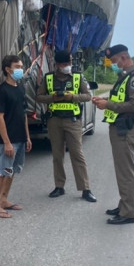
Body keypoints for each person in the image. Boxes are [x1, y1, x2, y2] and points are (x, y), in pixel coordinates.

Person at [92, 44, 134, 225]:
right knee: (121, 170)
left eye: (115, 61)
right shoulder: (125, 76)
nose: (113, 65)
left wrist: (107, 105)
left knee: (126, 172)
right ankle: (123, 205)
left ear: (123, 58)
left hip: (125, 129)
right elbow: (120, 99)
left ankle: (128, 213)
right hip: (119, 127)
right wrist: (105, 100)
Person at [36, 49, 97, 202]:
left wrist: (72, 97)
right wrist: (53, 97)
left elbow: (88, 96)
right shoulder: (48, 78)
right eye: (64, 63)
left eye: (69, 63)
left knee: (77, 154)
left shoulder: (77, 77)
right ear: (57, 64)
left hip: (73, 121)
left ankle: (85, 189)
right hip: (54, 121)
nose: (67, 66)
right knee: (57, 155)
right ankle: (59, 186)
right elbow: (39, 97)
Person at [0, 54, 32, 218]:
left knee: (12, 171)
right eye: (17, 67)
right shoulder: (1, 91)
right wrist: (7, 142)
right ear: (8, 69)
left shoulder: (20, 88)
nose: (20, 70)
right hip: (8, 140)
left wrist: (27, 137)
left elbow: (23, 114)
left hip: (20, 137)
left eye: (21, 67)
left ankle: (4, 200)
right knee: (3, 172)